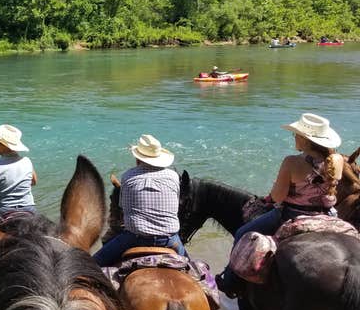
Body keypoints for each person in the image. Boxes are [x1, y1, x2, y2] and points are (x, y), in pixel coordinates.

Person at [216, 113, 344, 298]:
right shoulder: (337, 160)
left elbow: (277, 197)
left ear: (306, 140)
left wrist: (272, 198)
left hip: (291, 215)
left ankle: (229, 282)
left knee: (241, 233)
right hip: (329, 216)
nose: (294, 137)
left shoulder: (292, 162)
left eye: (296, 134)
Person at [93, 134, 188, 267]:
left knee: (92, 265)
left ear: (138, 158)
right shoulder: (173, 176)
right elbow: (175, 205)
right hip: (170, 240)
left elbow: (124, 210)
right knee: (191, 267)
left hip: (134, 239)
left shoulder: (128, 176)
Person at [0, 124, 37, 222]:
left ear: (4, 145)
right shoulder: (27, 161)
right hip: (29, 208)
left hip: (2, 211)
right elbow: (34, 181)